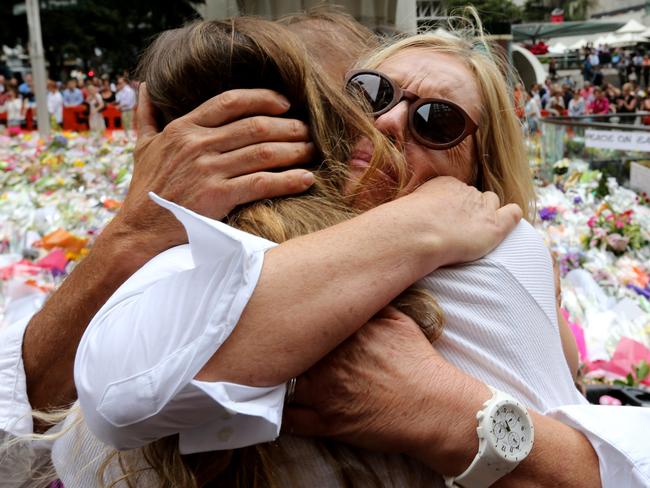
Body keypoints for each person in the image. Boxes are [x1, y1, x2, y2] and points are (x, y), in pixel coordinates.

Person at [66, 19, 597, 487]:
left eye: (437, 122)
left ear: (479, 174)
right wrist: (416, 225)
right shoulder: (235, 233)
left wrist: (450, 413)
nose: (388, 122)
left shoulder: (505, 255)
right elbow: (118, 392)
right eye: (371, 93)